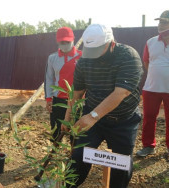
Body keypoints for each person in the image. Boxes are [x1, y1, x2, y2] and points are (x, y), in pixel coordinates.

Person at [62, 24, 143, 187]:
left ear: (111, 44)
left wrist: (92, 117)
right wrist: (67, 116)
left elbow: (121, 93)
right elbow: (77, 92)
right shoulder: (84, 61)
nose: (94, 57)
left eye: (98, 51)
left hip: (123, 121)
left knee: (121, 165)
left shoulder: (128, 56)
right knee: (78, 156)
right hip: (92, 116)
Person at [136, 10, 169, 157]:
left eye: (164, 22)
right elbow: (146, 61)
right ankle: (148, 145)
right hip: (151, 88)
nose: (159, 25)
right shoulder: (151, 42)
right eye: (159, 22)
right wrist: (157, 76)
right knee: (148, 117)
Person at [44, 27, 82, 141]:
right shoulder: (52, 58)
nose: (65, 44)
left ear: (73, 40)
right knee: (56, 131)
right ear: (57, 41)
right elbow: (49, 79)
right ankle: (55, 154)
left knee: (76, 134)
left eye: (67, 42)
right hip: (59, 100)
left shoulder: (82, 57)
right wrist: (48, 99)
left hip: (78, 100)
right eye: (62, 42)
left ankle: (74, 156)